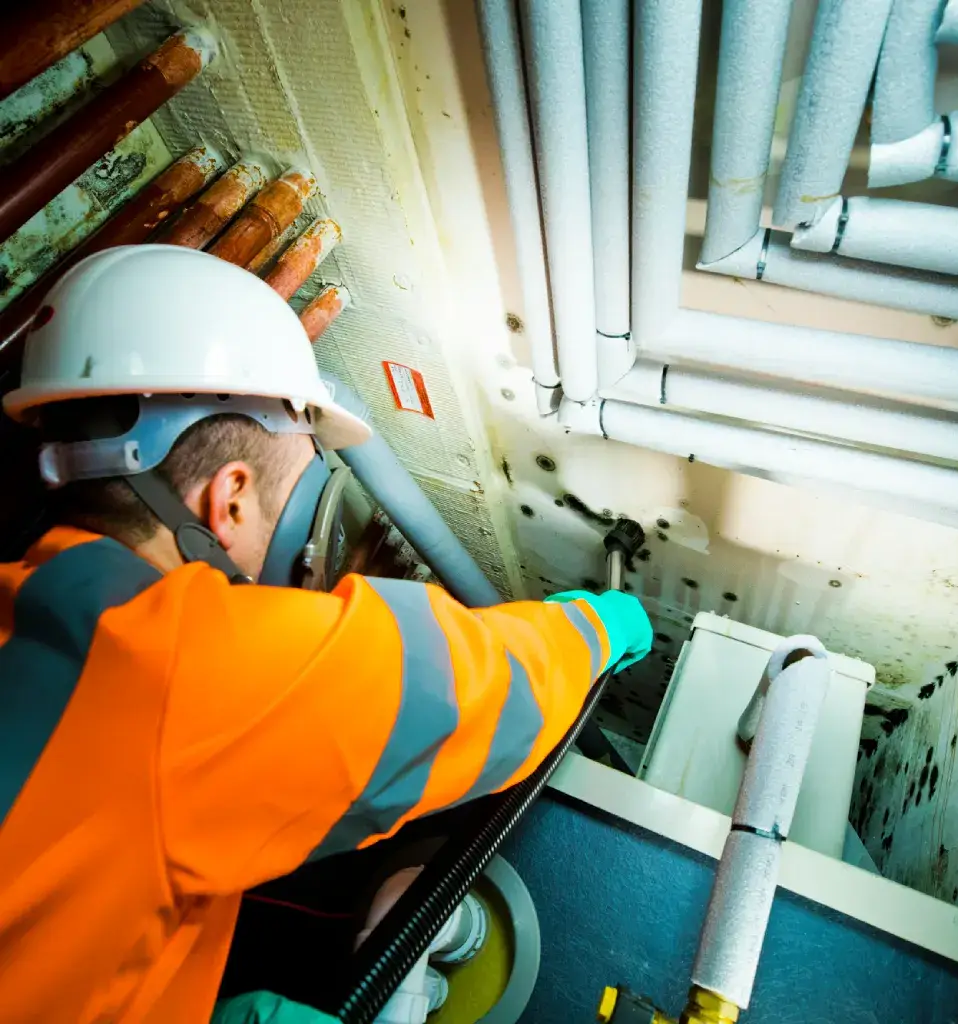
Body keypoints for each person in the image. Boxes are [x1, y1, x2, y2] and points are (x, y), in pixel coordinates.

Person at [0, 245, 653, 1022]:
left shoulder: (35, 605)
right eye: (296, 495)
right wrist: (597, 625)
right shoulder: (169, 669)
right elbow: (470, 683)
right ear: (230, 501)